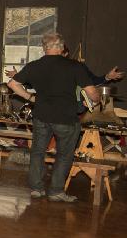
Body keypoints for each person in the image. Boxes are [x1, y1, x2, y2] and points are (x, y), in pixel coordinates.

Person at [8, 32, 100, 202]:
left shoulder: (34, 66)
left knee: (37, 152)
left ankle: (36, 189)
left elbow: (12, 84)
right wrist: (97, 99)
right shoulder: (74, 66)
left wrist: (30, 97)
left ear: (44, 47)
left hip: (41, 116)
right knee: (64, 155)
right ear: (61, 47)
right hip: (66, 118)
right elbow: (92, 93)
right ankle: (56, 191)